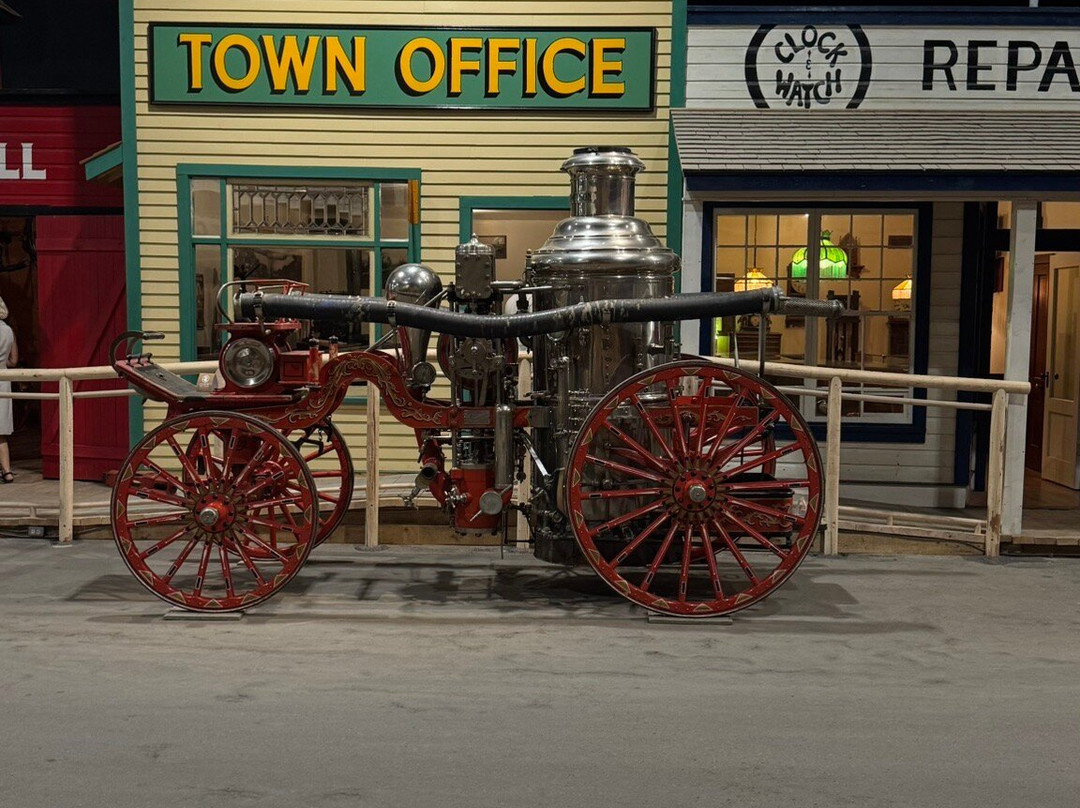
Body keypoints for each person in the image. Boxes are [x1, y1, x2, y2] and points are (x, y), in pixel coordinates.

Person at [0, 296, 18, 483]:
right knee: (1, 432)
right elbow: (13, 360)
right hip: (3, 379)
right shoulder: (8, 331)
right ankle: (7, 471)